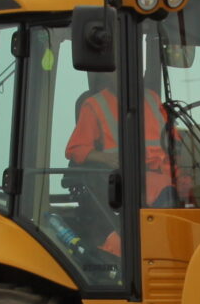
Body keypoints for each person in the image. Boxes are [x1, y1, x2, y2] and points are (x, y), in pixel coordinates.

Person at [64, 70, 181, 207]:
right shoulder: (95, 105)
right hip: (134, 178)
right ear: (108, 73)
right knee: (169, 196)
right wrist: (107, 158)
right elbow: (75, 149)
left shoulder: (152, 98)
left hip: (171, 173)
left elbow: (176, 142)